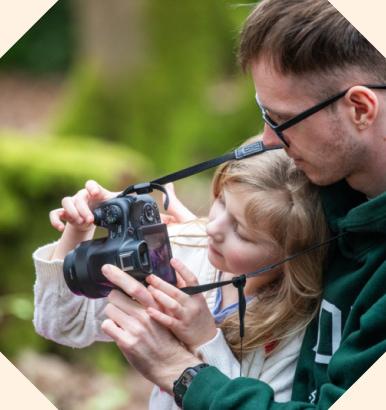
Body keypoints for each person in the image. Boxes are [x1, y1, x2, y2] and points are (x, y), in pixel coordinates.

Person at [83, 0, 386, 409]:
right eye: (263, 112)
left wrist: (179, 371)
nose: (267, 140)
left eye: (281, 119)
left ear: (361, 109)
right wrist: (200, 232)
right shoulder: (329, 186)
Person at [33, 144, 328, 408]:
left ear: (289, 256)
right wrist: (79, 229)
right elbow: (62, 325)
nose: (213, 228)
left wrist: (205, 339)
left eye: (240, 231)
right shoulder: (178, 253)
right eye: (222, 201)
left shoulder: (292, 330)